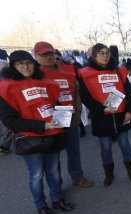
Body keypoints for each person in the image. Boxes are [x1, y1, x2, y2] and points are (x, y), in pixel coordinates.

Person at [0, 50, 74, 214]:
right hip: (30, 139)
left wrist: (63, 113)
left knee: (54, 171)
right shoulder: (5, 88)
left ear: (34, 64)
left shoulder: (46, 83)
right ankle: (41, 206)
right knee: (36, 175)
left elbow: (56, 105)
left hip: (53, 134)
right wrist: (42, 125)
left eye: (29, 63)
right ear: (13, 66)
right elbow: (10, 121)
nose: (26, 66)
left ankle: (57, 199)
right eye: (20, 64)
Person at [33, 41, 93, 188]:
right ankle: (56, 185)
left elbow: (76, 92)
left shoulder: (68, 70)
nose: (49, 57)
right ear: (36, 56)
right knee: (54, 156)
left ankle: (77, 177)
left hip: (70, 118)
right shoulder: (33, 74)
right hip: (50, 122)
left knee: (74, 151)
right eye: (44, 54)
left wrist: (78, 112)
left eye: (50, 53)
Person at [78, 43, 131, 186]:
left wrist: (130, 111)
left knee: (125, 144)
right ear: (94, 56)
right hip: (101, 117)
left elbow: (129, 93)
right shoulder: (85, 73)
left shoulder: (119, 71)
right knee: (105, 146)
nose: (105, 56)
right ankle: (109, 174)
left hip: (121, 115)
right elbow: (85, 97)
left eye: (106, 53)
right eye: (101, 53)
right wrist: (102, 109)